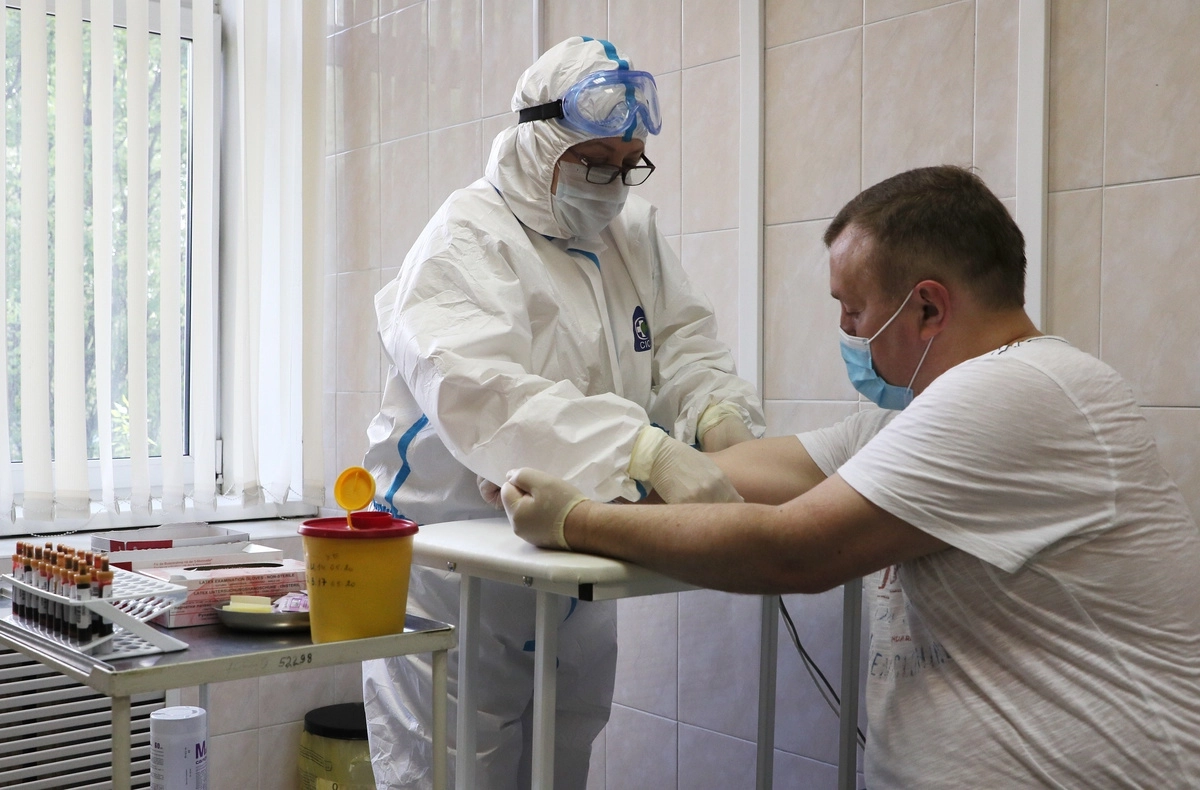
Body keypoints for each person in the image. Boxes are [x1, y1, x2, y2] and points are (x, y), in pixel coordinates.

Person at [502, 165, 1200, 788]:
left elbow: (792, 550)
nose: (847, 332)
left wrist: (575, 520)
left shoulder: (1018, 392)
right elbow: (736, 474)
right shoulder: (915, 420)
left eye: (855, 310)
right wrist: (588, 469)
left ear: (928, 307)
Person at [361, 36, 764, 789]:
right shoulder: (465, 237)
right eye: (595, 160)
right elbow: (483, 394)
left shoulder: (630, 232)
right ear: (538, 139)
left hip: (574, 557)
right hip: (456, 576)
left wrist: (718, 419)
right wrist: (645, 452)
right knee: (454, 774)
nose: (613, 183)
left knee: (562, 761)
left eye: (628, 163)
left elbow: (681, 343)